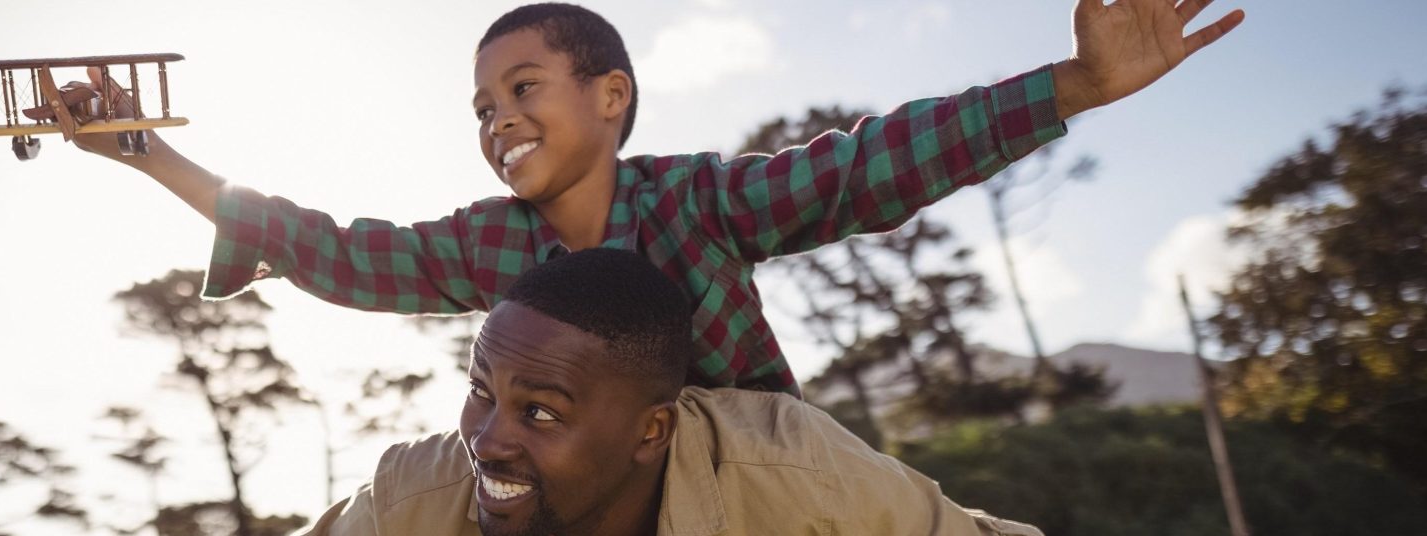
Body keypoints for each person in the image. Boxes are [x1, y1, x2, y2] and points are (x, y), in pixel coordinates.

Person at [63, 2, 1246, 396]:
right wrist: (150, 156)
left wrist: (1078, 84)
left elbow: (870, 163)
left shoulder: (702, 205)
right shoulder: (487, 248)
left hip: (738, 457)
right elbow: (332, 249)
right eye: (480, 107)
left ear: (611, 96)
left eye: (521, 89)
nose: (498, 120)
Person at [301, 248, 1042, 535]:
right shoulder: (410, 503)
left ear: (651, 432)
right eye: (480, 391)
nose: (487, 439)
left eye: (539, 411)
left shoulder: (795, 475)